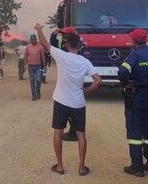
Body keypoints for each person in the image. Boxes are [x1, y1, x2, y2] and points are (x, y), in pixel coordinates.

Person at [33, 23, 102, 176]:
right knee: (81, 135)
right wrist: (86, 91)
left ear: (66, 44)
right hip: (78, 103)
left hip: (61, 101)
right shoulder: (85, 62)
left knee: (58, 132)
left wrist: (39, 29)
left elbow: (44, 43)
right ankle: (82, 168)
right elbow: (98, 80)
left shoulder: (62, 56)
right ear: (79, 46)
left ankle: (60, 166)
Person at [116, 28, 148, 177]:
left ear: (134, 41)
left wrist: (127, 83)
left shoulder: (134, 55)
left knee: (135, 131)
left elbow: (122, 72)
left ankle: (136, 167)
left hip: (136, 97)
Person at [50, 27, 83, 142]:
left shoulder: (74, 47)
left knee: (71, 106)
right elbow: (53, 46)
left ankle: (74, 132)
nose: (64, 37)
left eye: (66, 35)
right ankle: (74, 131)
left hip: (72, 78)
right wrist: (54, 35)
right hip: (69, 78)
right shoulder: (67, 45)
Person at [24, 34, 45, 101]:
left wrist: (44, 66)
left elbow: (43, 56)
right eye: (32, 40)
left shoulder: (40, 47)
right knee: (32, 80)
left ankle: (38, 91)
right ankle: (33, 94)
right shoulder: (28, 47)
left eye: (34, 39)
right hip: (30, 66)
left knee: (38, 80)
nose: (33, 41)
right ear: (31, 40)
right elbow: (26, 56)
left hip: (38, 66)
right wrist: (25, 65)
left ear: (36, 39)